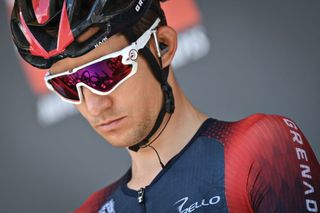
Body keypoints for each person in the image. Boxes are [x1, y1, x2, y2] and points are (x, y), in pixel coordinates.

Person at [10, 0, 319, 212]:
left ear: (163, 47)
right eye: (66, 84)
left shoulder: (257, 148)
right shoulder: (90, 209)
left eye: (104, 72)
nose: (93, 104)